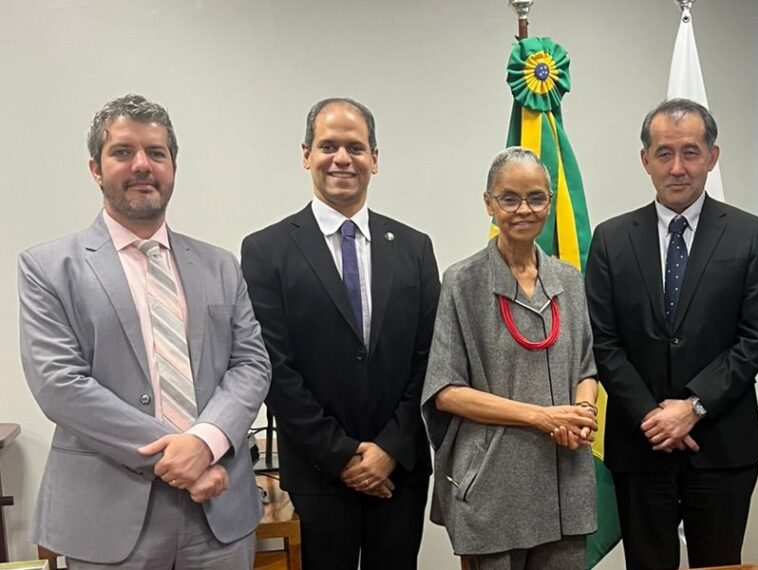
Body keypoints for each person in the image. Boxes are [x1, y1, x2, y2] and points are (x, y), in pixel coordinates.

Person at [18, 94, 270, 568]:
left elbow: (251, 364)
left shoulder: (220, 265)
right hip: (108, 518)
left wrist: (206, 442)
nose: (142, 165)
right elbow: (60, 385)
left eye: (156, 153)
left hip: (218, 515)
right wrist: (180, 460)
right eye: (122, 152)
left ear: (173, 166)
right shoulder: (48, 268)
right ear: (95, 168)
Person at [241, 97, 440, 569]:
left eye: (355, 146)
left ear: (375, 157)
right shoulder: (266, 251)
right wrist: (345, 457)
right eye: (329, 145)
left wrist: (389, 448)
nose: (342, 158)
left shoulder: (414, 248)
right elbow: (274, 367)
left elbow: (430, 358)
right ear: (306, 153)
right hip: (317, 475)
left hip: (400, 472)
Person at [585, 98, 758, 570]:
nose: (677, 167)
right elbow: (603, 342)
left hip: (722, 442)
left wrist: (692, 408)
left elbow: (755, 337)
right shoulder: (611, 239)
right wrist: (653, 416)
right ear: (644, 160)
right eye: (664, 153)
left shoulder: (747, 234)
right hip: (639, 443)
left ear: (712, 157)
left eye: (690, 152)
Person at [421, 147, 599, 570]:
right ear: (489, 203)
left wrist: (583, 411)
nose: (524, 209)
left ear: (550, 203)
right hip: (493, 482)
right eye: (509, 198)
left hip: (564, 478)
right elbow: (446, 392)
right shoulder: (463, 282)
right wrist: (542, 417)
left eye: (536, 198)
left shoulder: (569, 281)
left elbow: (587, 368)